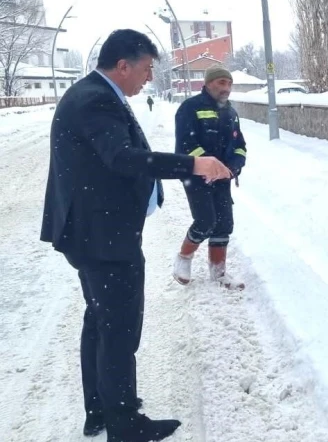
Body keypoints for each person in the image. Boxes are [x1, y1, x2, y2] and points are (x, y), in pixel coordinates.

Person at [40, 29, 232, 441]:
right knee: (119, 329)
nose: (148, 78)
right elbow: (122, 158)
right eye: (145, 69)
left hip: (95, 232)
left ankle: (100, 411)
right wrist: (195, 166)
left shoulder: (95, 94)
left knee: (100, 321)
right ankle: (124, 424)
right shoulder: (95, 99)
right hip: (104, 238)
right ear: (123, 65)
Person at [172, 65, 247, 290]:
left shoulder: (231, 113)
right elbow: (185, 145)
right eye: (221, 83)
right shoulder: (190, 108)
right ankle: (183, 259)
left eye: (229, 84)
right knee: (205, 221)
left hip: (223, 178)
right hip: (196, 176)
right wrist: (209, 166)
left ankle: (218, 272)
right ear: (207, 84)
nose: (226, 88)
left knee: (224, 224)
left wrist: (233, 167)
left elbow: (239, 146)